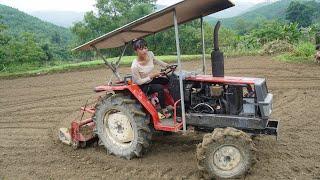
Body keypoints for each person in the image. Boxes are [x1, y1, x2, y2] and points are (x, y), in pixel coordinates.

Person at [131, 38, 171, 118]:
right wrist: (152, 76)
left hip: (151, 79)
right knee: (159, 88)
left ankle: (171, 102)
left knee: (167, 80)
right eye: (141, 49)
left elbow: (156, 61)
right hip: (143, 86)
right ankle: (164, 109)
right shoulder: (135, 66)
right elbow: (138, 82)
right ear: (136, 51)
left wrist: (167, 65)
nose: (144, 51)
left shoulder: (150, 54)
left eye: (145, 48)